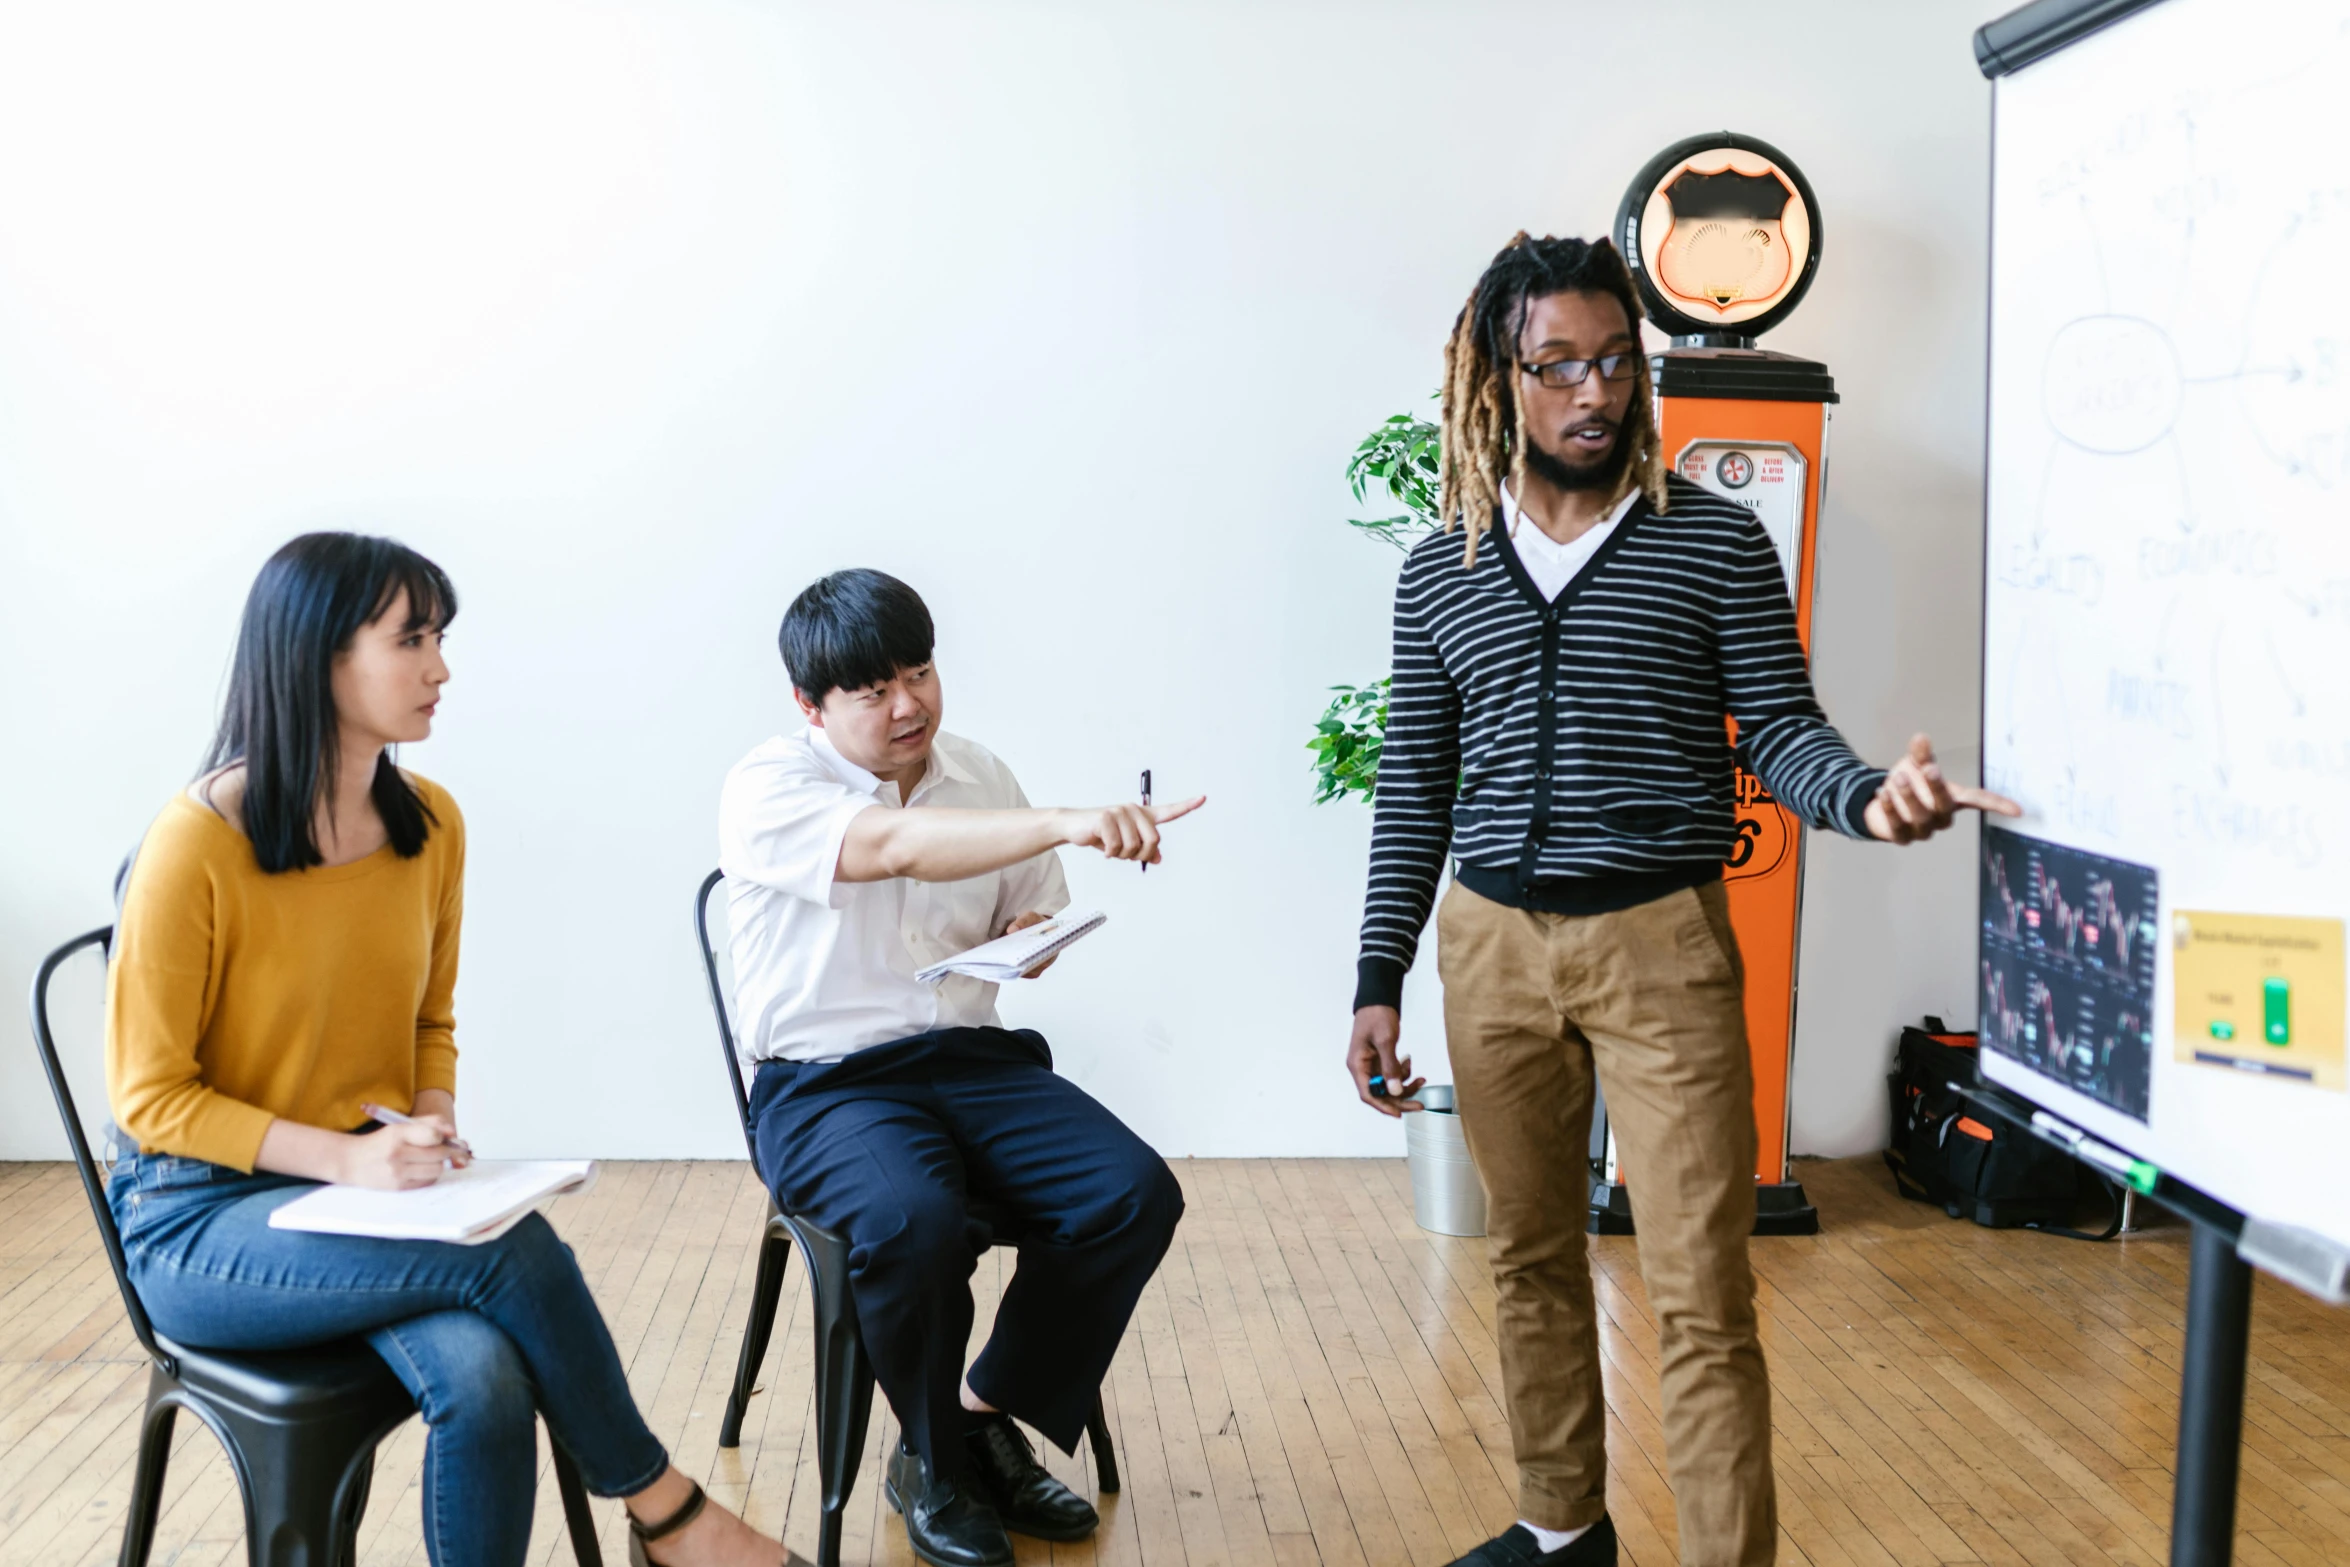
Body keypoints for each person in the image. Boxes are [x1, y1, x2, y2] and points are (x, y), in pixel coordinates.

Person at [1344, 235, 2020, 1567]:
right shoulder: (1441, 565)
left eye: (1613, 362)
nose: (1593, 395)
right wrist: (1376, 975)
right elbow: (1412, 783)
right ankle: (1558, 1524)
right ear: (1499, 376)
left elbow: (1780, 727)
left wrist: (1869, 795)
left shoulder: (1709, 541)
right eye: (1557, 367)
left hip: (1659, 945)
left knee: (1700, 1291)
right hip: (1486, 950)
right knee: (1528, 1255)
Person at [106, 533, 785, 1567]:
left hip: (359, 1202)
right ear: (319, 657)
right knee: (509, 1253)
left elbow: (430, 1019)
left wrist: (429, 1113)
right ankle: (670, 1514)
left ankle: (669, 1523)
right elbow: (152, 1100)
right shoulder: (194, 843)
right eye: (410, 638)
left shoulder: (430, 823)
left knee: (483, 1375)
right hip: (196, 1220)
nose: (441, 668)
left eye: (440, 637)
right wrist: (343, 1158)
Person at [718, 569, 1198, 1567]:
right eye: (872, 691)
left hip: (975, 1062)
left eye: (922, 673)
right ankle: (935, 1462)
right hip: (826, 1084)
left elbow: (1035, 909)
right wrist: (1070, 816)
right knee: (911, 1221)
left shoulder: (979, 772)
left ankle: (972, 1414)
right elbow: (893, 845)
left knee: (1132, 1193)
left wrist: (1032, 933)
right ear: (809, 706)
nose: (909, 706)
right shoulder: (770, 784)